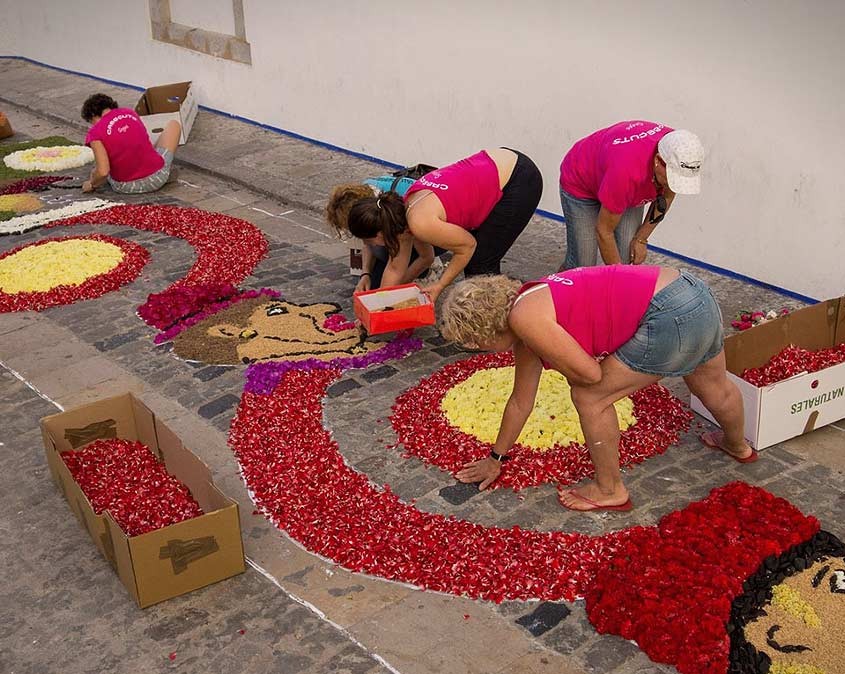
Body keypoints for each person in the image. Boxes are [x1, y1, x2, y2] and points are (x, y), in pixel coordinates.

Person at [439, 265, 756, 511]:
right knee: (710, 382)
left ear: (484, 331)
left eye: (475, 342)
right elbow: (521, 401)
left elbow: (590, 376)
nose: (479, 349)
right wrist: (496, 458)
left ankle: (609, 490)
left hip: (667, 313)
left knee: (589, 398)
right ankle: (737, 445)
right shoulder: (529, 301)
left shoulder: (525, 319)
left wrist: (571, 365)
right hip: (691, 291)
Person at [345, 148, 543, 303]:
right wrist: (380, 305)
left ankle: (498, 322)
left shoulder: (420, 223)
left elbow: (467, 246)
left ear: (380, 233)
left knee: (480, 264)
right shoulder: (400, 218)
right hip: (494, 164)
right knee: (479, 259)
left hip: (517, 178)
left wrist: (440, 285)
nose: (370, 245)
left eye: (369, 241)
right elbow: (399, 267)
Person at [559, 122, 703, 269]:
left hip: (617, 179)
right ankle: (558, 280)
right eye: (673, 179)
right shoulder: (626, 173)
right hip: (582, 181)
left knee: (626, 255)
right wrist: (621, 278)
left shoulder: (680, 149)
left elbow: (666, 197)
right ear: (658, 161)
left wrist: (641, 239)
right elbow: (604, 231)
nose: (673, 186)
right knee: (582, 265)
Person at [326, 178, 445, 295]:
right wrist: (365, 273)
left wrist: (392, 290)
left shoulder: (401, 216)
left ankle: (427, 273)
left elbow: (424, 257)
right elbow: (368, 242)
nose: (366, 241)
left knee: (388, 278)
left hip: (436, 230)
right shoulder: (366, 196)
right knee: (375, 285)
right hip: (403, 229)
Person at [80, 93, 180, 194]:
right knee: (174, 124)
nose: (92, 125)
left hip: (126, 186)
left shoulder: (95, 132)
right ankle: (164, 170)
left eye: (91, 122)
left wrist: (91, 183)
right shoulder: (130, 112)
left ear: (92, 115)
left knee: (97, 170)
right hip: (158, 177)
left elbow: (103, 172)